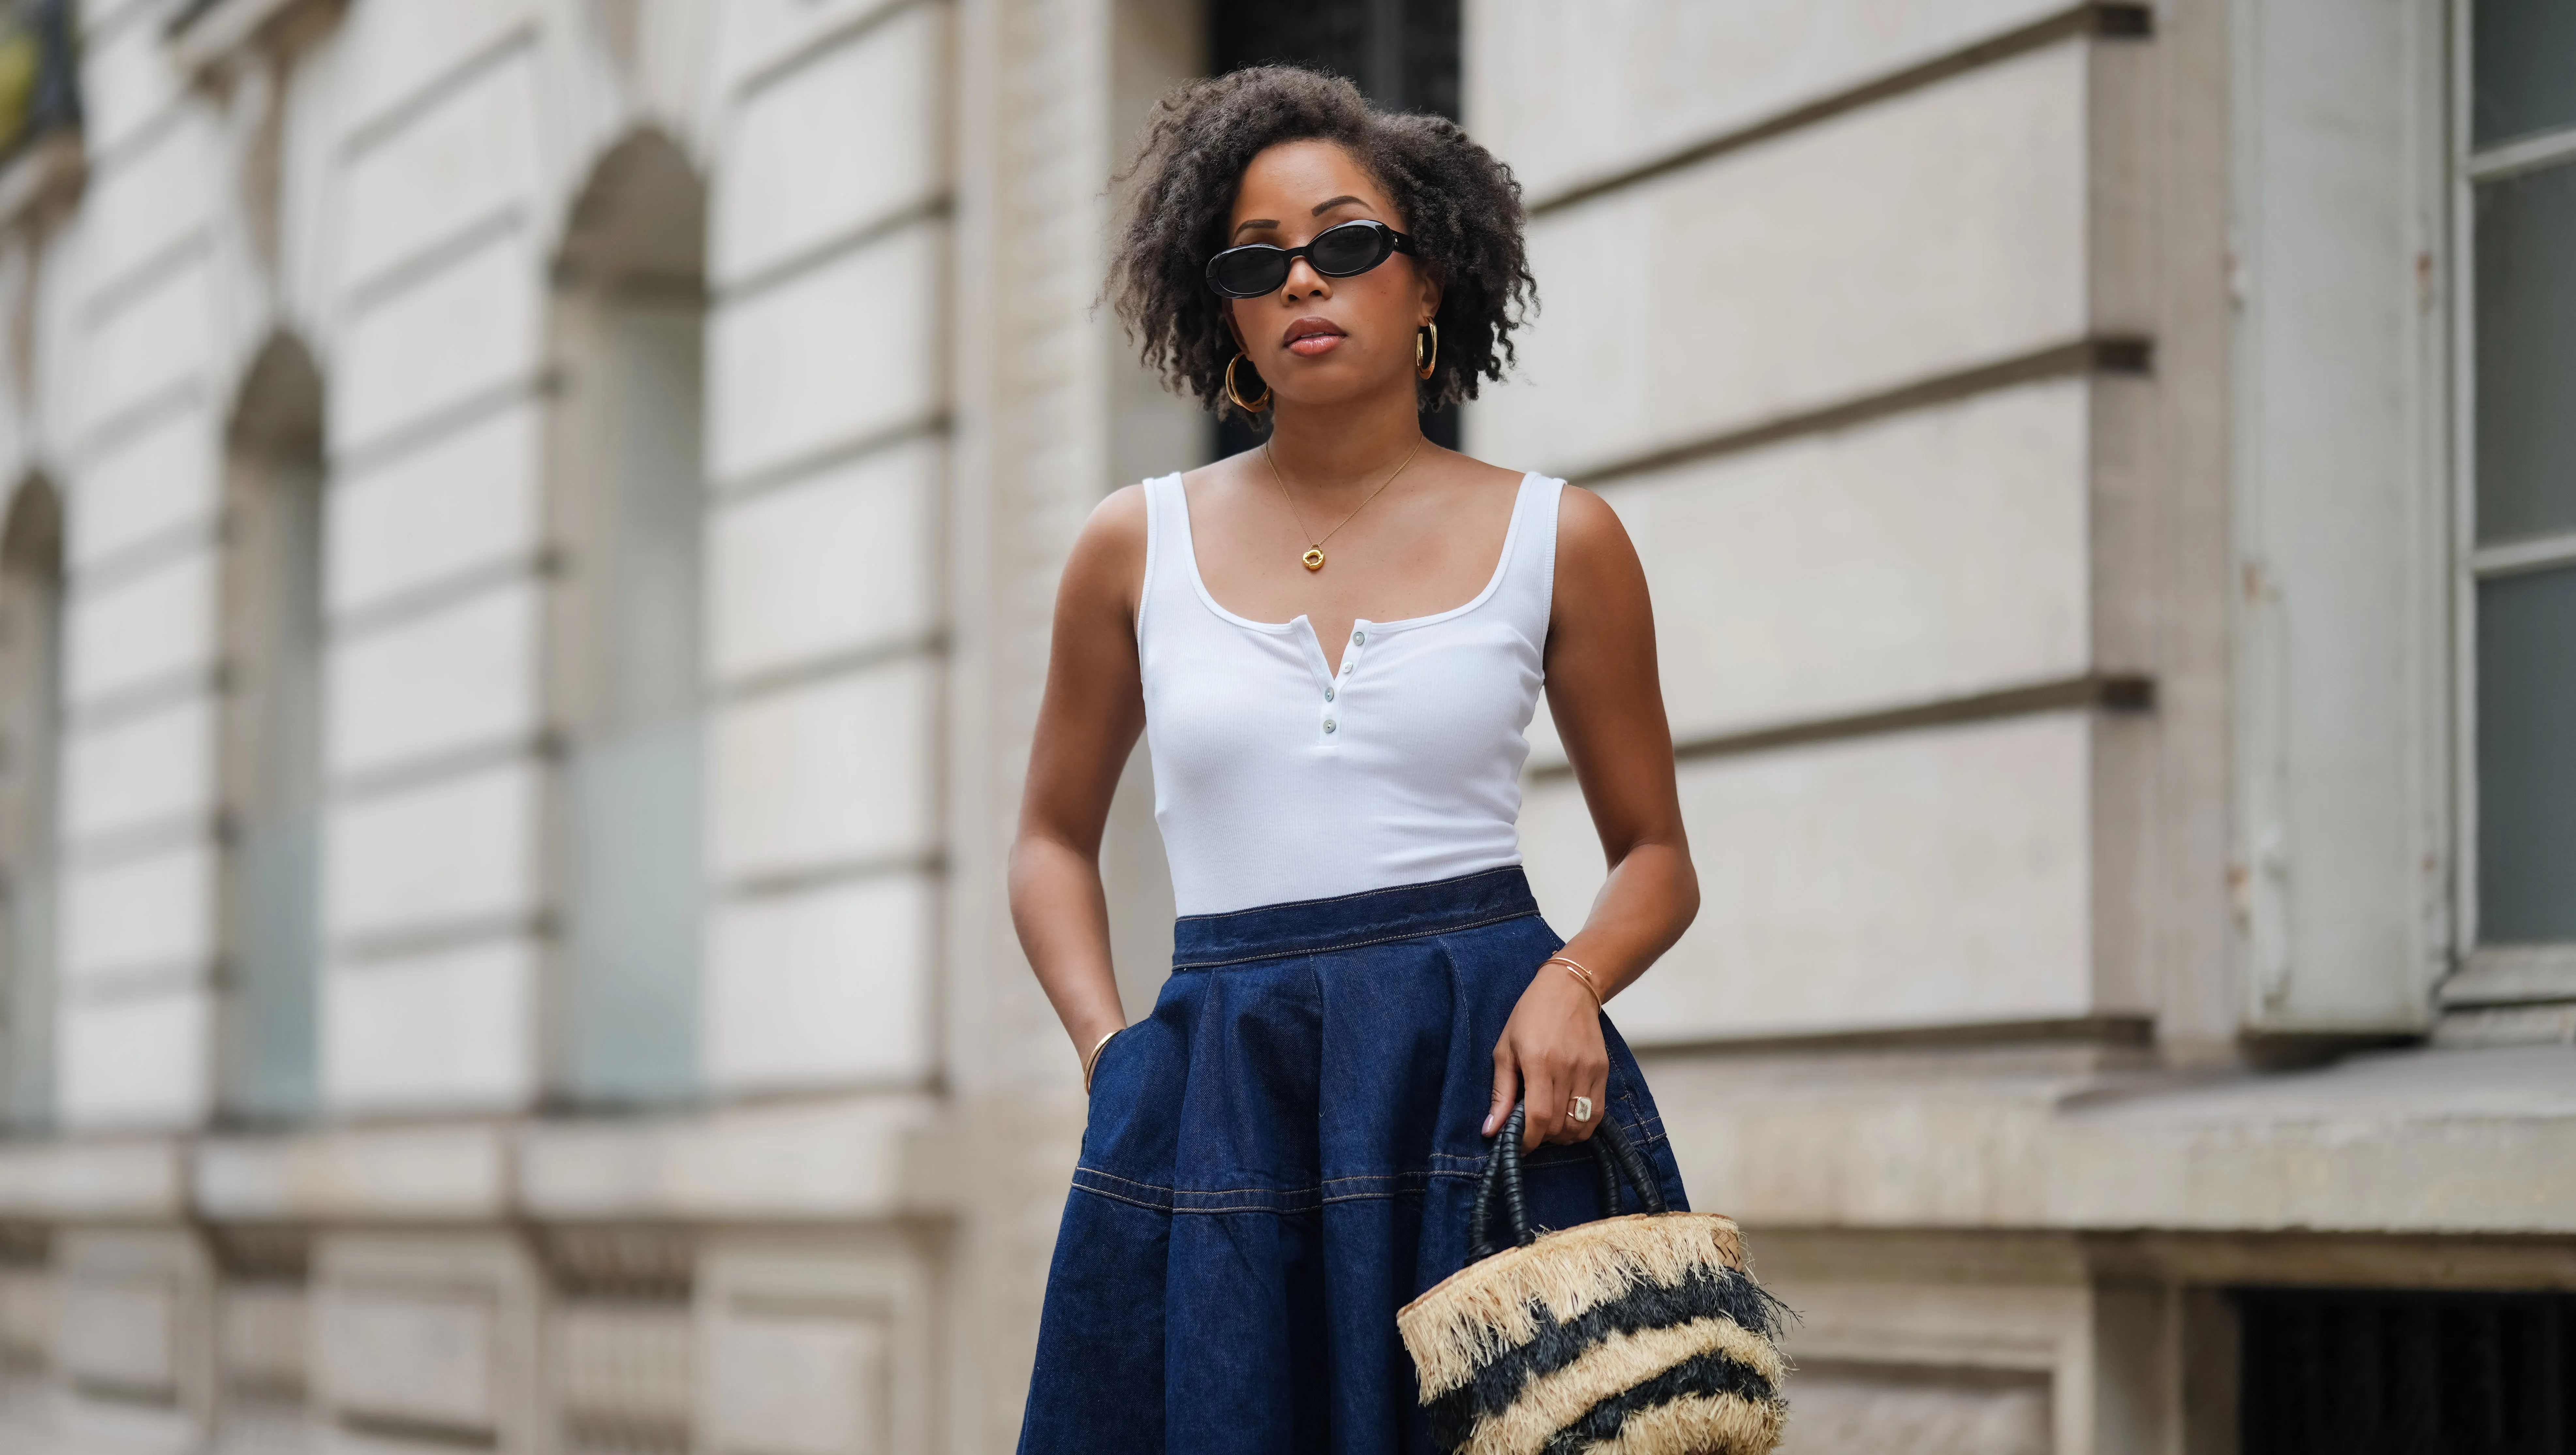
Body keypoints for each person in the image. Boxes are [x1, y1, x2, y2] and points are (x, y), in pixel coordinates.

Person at [1010, 65, 1700, 1454]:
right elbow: (1046, 840)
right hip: (1221, 1090)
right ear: (1224, 308)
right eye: (1256, 261)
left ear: (1428, 276)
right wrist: (1111, 1055)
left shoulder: (1558, 537)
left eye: (1343, 244)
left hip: (1476, 1076)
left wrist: (1572, 981)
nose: (1301, 284)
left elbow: (1657, 858)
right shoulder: (1129, 545)